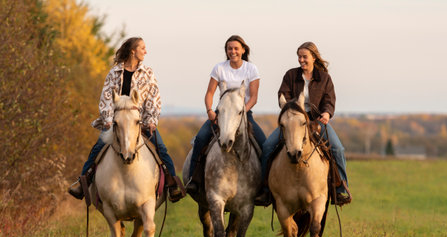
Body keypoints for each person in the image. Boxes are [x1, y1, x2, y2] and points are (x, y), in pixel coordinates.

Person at [68, 37, 185, 202]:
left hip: (141, 122)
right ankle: (83, 183)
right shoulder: (114, 73)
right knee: (98, 148)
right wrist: (108, 119)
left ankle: (172, 184)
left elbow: (154, 98)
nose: (146, 51)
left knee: (161, 148)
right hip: (117, 122)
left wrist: (151, 120)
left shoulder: (148, 73)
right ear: (133, 51)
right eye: (142, 48)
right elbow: (106, 97)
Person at [257, 41, 351, 206]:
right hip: (293, 120)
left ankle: (340, 188)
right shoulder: (290, 75)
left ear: (313, 57)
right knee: (267, 147)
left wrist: (327, 114)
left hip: (316, 121)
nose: (301, 60)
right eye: (299, 57)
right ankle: (264, 190)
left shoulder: (324, 78)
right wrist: (289, 107)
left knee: (337, 148)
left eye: (304, 56)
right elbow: (283, 94)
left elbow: (329, 100)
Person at [185, 35, 266, 194]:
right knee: (201, 138)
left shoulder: (251, 69)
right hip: (221, 115)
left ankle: (264, 187)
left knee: (264, 145)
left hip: (244, 114)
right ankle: (193, 179)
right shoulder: (219, 68)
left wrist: (243, 111)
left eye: (236, 48)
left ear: (243, 50)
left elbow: (254, 97)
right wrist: (209, 111)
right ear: (226, 51)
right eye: (230, 48)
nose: (233, 51)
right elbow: (209, 93)